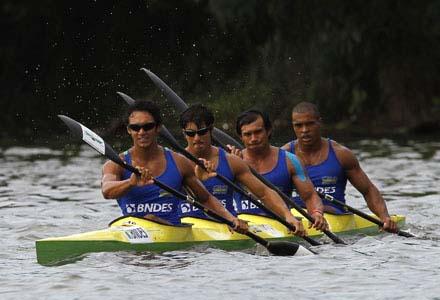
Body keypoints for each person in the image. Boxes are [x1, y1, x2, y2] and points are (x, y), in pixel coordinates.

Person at [101, 100, 247, 233]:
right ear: (129, 130)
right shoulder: (116, 164)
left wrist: (231, 219)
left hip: (172, 235)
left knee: (151, 218)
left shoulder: (179, 162)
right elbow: (107, 191)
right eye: (136, 128)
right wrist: (130, 183)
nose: (141, 132)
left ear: (158, 128)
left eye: (148, 127)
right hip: (130, 231)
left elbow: (205, 198)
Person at [179, 104, 306, 236]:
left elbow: (264, 193)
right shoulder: (175, 162)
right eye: (190, 133)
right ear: (184, 133)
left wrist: (288, 216)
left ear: (211, 130)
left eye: (202, 132)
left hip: (228, 228)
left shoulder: (231, 161)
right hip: (188, 228)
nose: (196, 138)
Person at [281, 101, 397, 232]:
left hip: (334, 216)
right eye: (299, 125)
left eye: (310, 124)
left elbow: (368, 190)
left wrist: (384, 217)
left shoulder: (341, 154)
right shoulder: (283, 155)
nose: (304, 130)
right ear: (293, 126)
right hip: (295, 217)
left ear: (319, 122)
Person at [230, 109, 328, 231]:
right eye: (248, 134)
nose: (253, 138)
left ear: (268, 130)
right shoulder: (232, 161)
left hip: (283, 223)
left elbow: (309, 196)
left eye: (258, 132)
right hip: (246, 225)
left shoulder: (290, 161)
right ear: (241, 137)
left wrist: (316, 213)